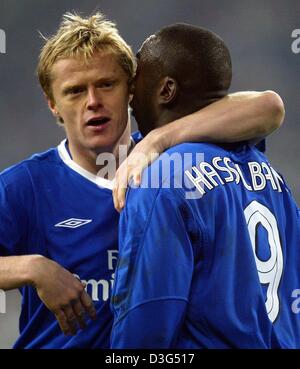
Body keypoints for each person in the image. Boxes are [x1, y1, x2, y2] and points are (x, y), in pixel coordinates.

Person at [0, 12, 284, 349]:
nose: (93, 102)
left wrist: (157, 140)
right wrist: (31, 268)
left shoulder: (175, 166)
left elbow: (268, 106)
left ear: (131, 90)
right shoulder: (25, 186)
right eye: (75, 91)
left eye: (106, 84)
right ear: (53, 105)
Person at [110, 23, 300, 348]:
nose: (130, 92)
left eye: (138, 77)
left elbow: (146, 324)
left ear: (166, 90)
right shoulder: (267, 172)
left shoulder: (157, 178)